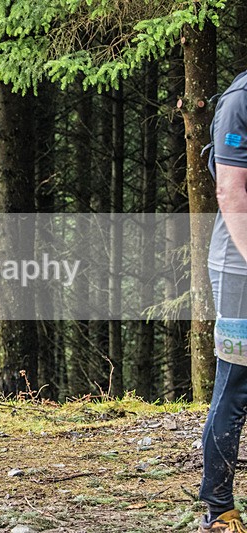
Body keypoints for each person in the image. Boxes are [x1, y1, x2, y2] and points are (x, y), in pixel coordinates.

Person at [199, 69, 247, 533]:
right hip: (240, 269)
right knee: (236, 384)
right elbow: (231, 191)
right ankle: (218, 508)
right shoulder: (240, 99)